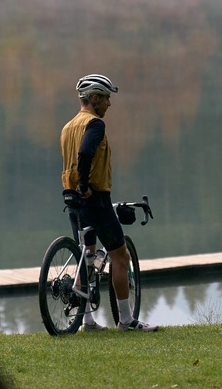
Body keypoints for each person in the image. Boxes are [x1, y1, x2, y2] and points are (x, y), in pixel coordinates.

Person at [60, 74, 158, 332]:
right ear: (94, 99)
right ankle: (126, 320)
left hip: (71, 200)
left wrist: (77, 188)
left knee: (86, 256)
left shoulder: (67, 127)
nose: (109, 104)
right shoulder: (94, 125)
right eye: (106, 99)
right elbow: (85, 153)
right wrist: (84, 186)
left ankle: (88, 321)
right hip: (94, 198)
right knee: (120, 256)